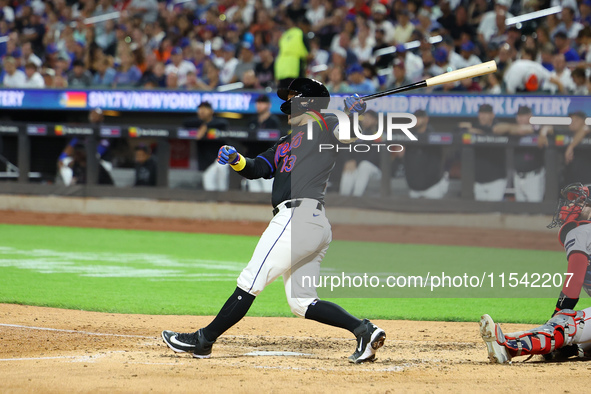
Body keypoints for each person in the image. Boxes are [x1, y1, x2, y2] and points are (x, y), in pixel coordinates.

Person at [162, 78, 386, 364]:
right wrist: (236, 159)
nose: (288, 104)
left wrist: (354, 114)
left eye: (294, 97)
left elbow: (349, 135)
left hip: (297, 219)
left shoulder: (327, 121)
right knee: (302, 302)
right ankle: (363, 330)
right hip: (311, 224)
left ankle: (203, 341)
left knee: (250, 280)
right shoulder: (285, 141)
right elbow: (257, 168)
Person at [480, 183, 591, 363]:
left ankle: (508, 346)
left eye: (579, 202)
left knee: (566, 325)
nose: (570, 206)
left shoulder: (581, 231)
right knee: (579, 346)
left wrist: (558, 315)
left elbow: (575, 280)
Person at [493, 106, 550, 202]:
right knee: (521, 211)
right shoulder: (512, 130)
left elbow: (548, 128)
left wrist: (543, 132)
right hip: (518, 177)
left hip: (534, 177)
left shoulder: (538, 129)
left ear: (530, 116)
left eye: (523, 115)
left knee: (536, 210)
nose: (520, 118)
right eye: (518, 116)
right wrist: (514, 128)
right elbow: (496, 129)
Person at [460, 104, 506, 201]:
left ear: (492, 115)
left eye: (486, 113)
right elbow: (458, 129)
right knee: (481, 214)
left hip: (496, 181)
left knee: (495, 213)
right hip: (478, 181)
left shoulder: (498, 126)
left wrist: (478, 132)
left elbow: (494, 132)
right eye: (481, 113)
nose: (483, 116)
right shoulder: (474, 125)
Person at [182, 102, 229, 191]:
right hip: (206, 163)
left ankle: (224, 201)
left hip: (220, 160)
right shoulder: (197, 123)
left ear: (211, 111)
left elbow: (224, 123)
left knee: (221, 184)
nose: (202, 111)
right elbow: (185, 123)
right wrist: (203, 126)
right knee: (209, 187)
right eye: (200, 109)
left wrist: (206, 126)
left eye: (205, 108)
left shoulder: (218, 122)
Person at [403, 110, 449, 199]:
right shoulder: (408, 137)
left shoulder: (434, 136)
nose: (416, 120)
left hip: (432, 188)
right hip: (414, 188)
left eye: (419, 118)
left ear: (426, 119)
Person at [339, 110, 382, 197]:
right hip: (359, 167)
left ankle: (357, 199)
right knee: (349, 166)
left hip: (376, 170)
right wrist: (349, 160)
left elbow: (375, 157)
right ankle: (343, 200)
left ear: (375, 121)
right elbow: (348, 150)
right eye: (365, 117)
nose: (366, 119)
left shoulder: (380, 134)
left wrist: (356, 161)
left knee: (364, 165)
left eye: (369, 118)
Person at [244, 95, 281, 193]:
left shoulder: (273, 121)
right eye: (258, 103)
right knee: (254, 193)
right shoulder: (252, 121)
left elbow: (275, 142)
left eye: (262, 103)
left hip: (268, 163)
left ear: (268, 105)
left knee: (268, 193)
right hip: (253, 160)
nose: (259, 105)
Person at [564, 111, 591, 186]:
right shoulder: (566, 135)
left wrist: (571, 146)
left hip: (587, 183)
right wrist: (544, 131)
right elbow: (549, 128)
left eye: (576, 120)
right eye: (572, 120)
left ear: (583, 121)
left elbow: (585, 129)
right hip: (571, 182)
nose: (573, 122)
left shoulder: (588, 134)